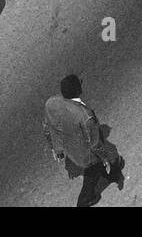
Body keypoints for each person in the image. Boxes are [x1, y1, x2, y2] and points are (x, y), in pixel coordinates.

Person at [42, 74, 124, 207]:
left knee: (102, 166)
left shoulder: (51, 103)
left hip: (67, 147)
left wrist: (55, 148)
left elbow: (47, 126)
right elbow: (95, 144)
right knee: (94, 170)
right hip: (85, 154)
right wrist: (105, 159)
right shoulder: (85, 116)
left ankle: (112, 173)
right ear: (78, 90)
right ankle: (85, 199)